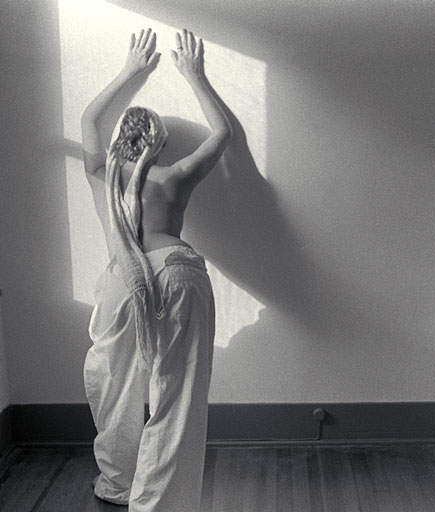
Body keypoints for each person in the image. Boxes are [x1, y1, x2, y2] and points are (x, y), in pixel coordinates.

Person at [80, 27, 232, 511]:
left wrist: (130, 72)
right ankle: (157, 504)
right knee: (177, 395)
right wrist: (194, 75)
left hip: (123, 279)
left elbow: (89, 118)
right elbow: (222, 134)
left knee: (115, 387)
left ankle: (117, 483)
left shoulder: (101, 173)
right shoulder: (175, 176)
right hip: (177, 270)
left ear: (120, 145)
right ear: (161, 144)